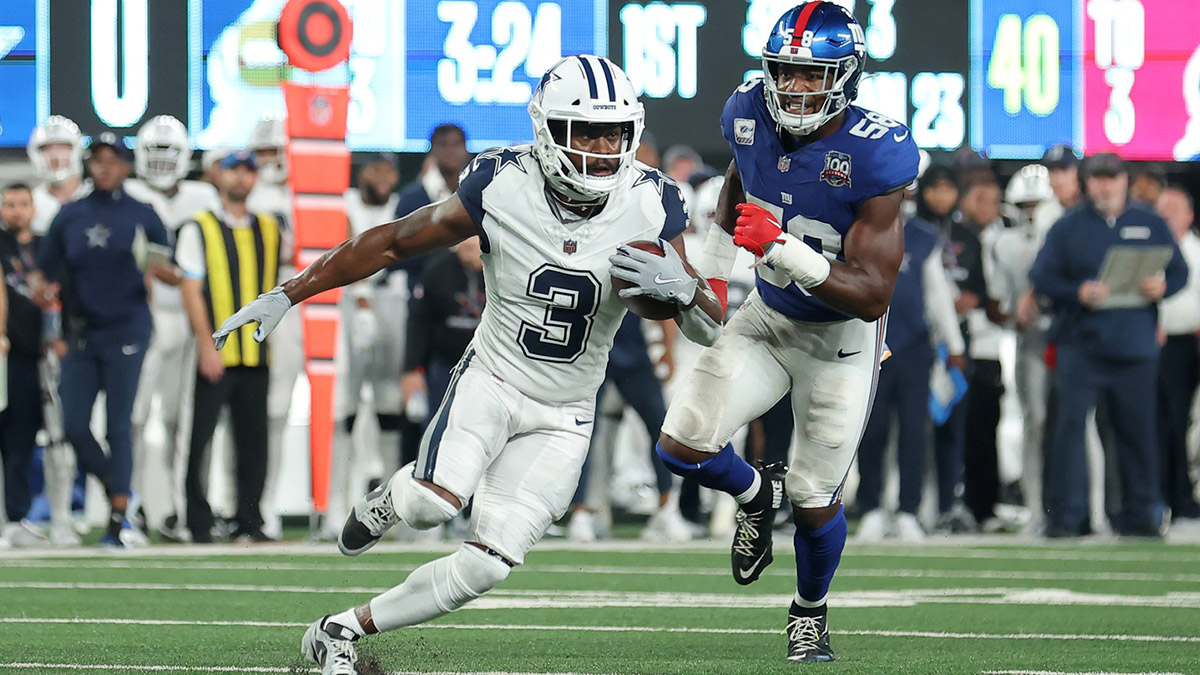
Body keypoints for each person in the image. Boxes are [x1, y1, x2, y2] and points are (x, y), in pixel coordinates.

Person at [210, 55, 723, 675]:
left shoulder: (654, 204)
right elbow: (395, 240)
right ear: (546, 130)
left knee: (486, 564)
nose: (600, 149)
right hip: (495, 376)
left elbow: (708, 322)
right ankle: (389, 500)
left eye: (613, 133)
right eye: (584, 130)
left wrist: (689, 289)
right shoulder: (501, 182)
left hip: (567, 411)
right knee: (430, 505)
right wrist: (290, 292)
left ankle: (339, 630)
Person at [653, 3, 918, 662]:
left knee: (812, 495)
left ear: (844, 75)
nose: (795, 87)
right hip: (769, 317)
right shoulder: (746, 112)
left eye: (810, 74)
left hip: (841, 339)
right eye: (786, 72)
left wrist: (783, 249)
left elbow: (872, 294)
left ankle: (809, 610)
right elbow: (739, 184)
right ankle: (751, 491)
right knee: (679, 444)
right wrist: (712, 274)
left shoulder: (877, 153)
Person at [1031, 152, 1187, 538]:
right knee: (1067, 431)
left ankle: (1141, 516)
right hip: (1080, 346)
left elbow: (1180, 271)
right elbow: (1042, 276)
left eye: (1111, 178)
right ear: (1087, 182)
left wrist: (1162, 287)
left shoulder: (1149, 222)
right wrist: (1077, 292)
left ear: (1124, 181)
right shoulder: (1068, 226)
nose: (1104, 185)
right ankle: (1066, 518)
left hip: (1135, 348)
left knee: (1138, 432)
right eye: (1097, 178)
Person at [34, 133, 179, 548]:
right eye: (97, 160)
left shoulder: (143, 212)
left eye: (112, 160)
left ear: (126, 166)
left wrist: (163, 269)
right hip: (80, 333)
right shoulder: (70, 215)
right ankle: (120, 493)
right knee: (75, 425)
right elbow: (44, 273)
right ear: (88, 165)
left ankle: (118, 519)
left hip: (127, 329)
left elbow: (164, 267)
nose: (104, 167)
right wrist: (42, 295)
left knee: (120, 425)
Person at [175, 151, 281, 544]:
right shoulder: (198, 228)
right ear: (219, 176)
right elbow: (191, 288)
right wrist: (206, 343)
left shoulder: (271, 229)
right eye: (234, 170)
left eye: (248, 171)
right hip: (218, 351)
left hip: (256, 352)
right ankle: (198, 522)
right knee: (200, 438)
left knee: (254, 441)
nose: (242, 178)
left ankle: (249, 520)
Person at [126, 115, 222, 541]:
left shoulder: (204, 196)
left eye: (170, 152)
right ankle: (131, 505)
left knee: (182, 420)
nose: (162, 162)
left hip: (190, 314)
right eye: (154, 152)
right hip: (138, 316)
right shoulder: (125, 194)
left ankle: (181, 510)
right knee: (134, 417)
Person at [856, 210, 965, 541]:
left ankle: (908, 511)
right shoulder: (857, 226)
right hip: (869, 343)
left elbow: (937, 294)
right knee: (871, 431)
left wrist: (954, 343)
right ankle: (871, 507)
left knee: (914, 432)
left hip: (914, 347)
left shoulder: (920, 234)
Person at [322, 155, 404, 539]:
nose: (384, 178)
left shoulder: (403, 206)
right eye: (377, 170)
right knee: (346, 409)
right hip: (350, 307)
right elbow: (345, 247)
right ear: (362, 173)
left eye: (389, 171)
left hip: (393, 307)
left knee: (390, 407)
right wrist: (360, 298)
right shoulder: (346, 204)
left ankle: (390, 507)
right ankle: (332, 506)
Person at [992, 163, 1057, 533]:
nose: (1031, 212)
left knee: (1076, 424)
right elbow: (1002, 301)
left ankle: (1090, 510)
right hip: (1030, 338)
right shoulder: (1004, 243)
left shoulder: (1065, 231)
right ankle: (1036, 509)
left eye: (1038, 204)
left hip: (1069, 337)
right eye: (1026, 204)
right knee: (1035, 421)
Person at [246, 115, 299, 540]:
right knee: (251, 410)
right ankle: (245, 504)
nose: (272, 160)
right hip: (257, 300)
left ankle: (268, 504)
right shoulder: (248, 194)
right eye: (264, 152)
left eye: (276, 150)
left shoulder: (311, 191)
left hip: (300, 302)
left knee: (280, 409)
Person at [0, 183, 46, 548]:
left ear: (33, 208)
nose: (16, 211)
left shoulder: (48, 246)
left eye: (22, 204)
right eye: (9, 204)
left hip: (36, 355)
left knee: (23, 438)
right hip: (5, 353)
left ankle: (18, 516)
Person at [1154, 185, 1200, 532]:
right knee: (1161, 423)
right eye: (1162, 208)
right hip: (1159, 345)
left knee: (1184, 424)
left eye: (1174, 208)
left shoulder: (1196, 251)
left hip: (1189, 345)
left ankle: (1185, 496)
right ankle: (1167, 496)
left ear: (1189, 215)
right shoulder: (1152, 250)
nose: (1167, 214)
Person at [27, 116, 88, 236]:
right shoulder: (29, 203)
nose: (55, 156)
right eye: (47, 150)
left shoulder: (94, 196)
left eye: (63, 148)